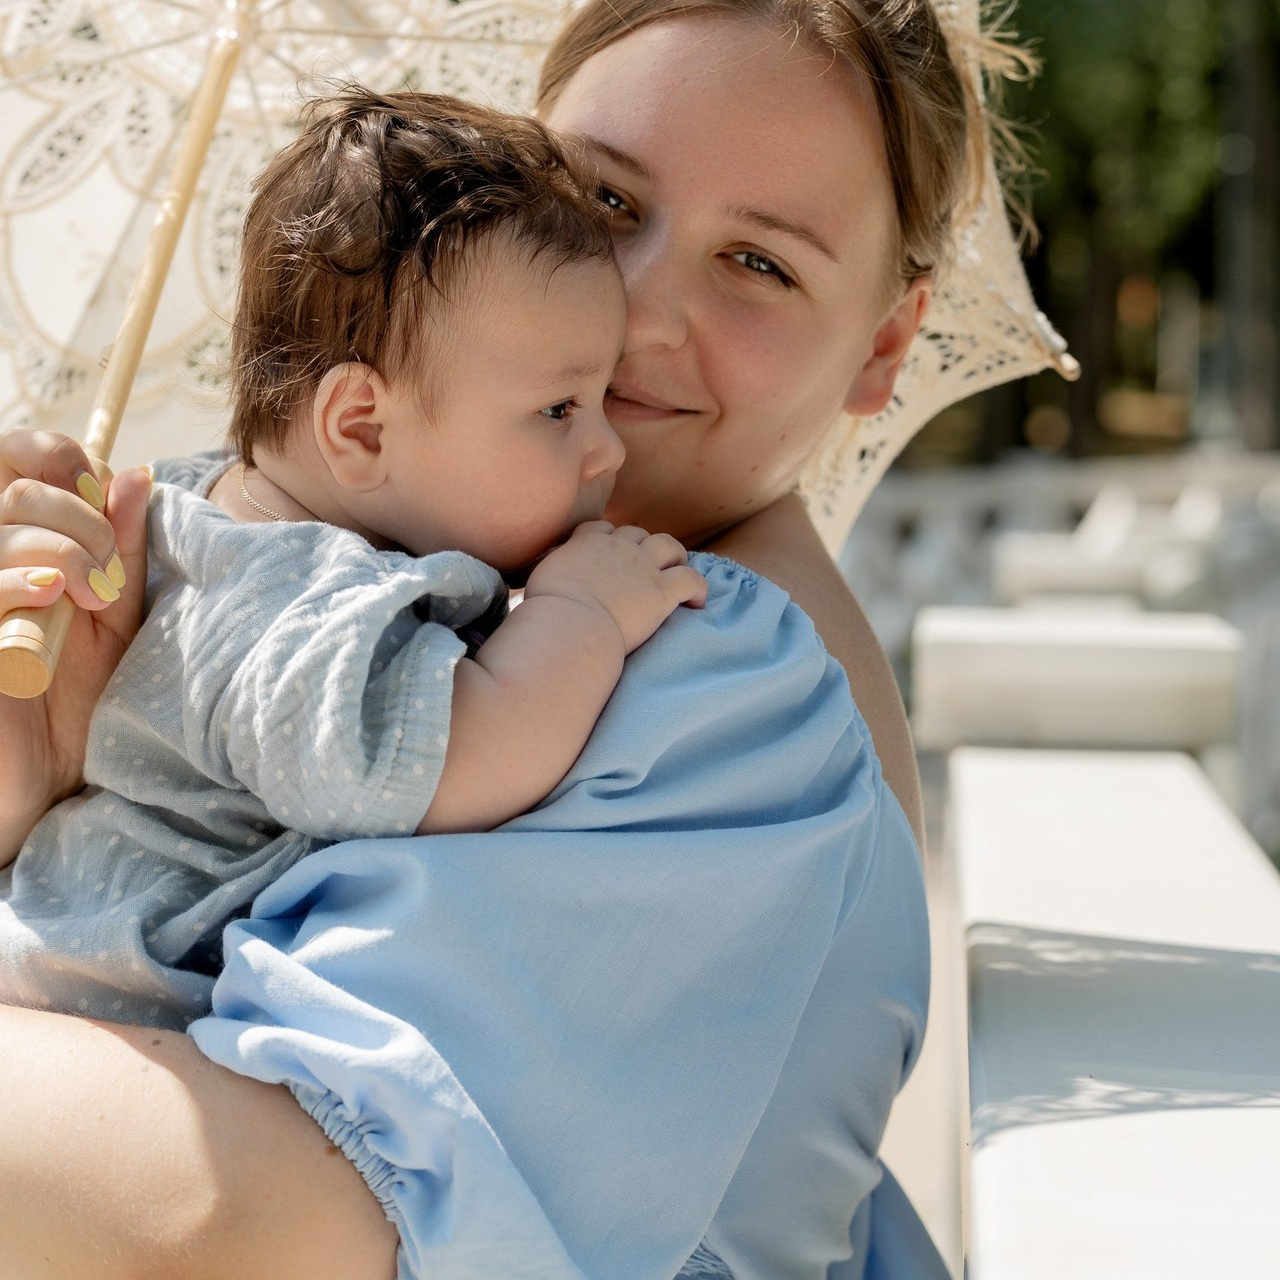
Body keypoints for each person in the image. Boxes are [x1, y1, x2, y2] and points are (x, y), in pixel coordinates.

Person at [0, 0, 1023, 1276]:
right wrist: (59, 766)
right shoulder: (413, 584)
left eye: (759, 263)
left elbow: (254, 1207)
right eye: (598, 200)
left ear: (883, 343)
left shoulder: (716, 677)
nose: (634, 309)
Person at [0, 89, 707, 1033]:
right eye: (559, 410)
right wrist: (581, 614)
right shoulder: (286, 597)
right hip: (98, 1010)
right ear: (362, 426)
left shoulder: (203, 511)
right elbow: (442, 771)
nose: (607, 451)